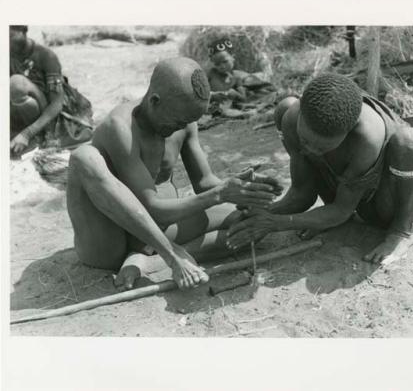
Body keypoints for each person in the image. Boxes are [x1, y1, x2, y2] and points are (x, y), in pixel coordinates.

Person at [66, 57, 281, 290]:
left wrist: (241, 189)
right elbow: (151, 209)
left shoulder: (184, 120)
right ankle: (169, 255)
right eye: (178, 122)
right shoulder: (121, 129)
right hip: (110, 240)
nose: (182, 127)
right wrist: (219, 194)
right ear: (155, 101)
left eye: (188, 122)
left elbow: (205, 182)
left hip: (154, 237)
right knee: (83, 157)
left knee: (253, 222)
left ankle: (148, 262)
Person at [227, 73, 413, 265]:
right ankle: (324, 220)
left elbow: (342, 210)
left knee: (409, 141)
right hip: (346, 197)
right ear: (300, 116)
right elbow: (302, 194)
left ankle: (402, 231)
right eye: (305, 140)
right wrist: (262, 215)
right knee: (284, 107)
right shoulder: (291, 116)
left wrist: (274, 223)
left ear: (348, 133)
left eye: (322, 147)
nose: (310, 150)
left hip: (388, 202)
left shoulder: (367, 138)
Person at [10, 25, 93, 157]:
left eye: (11, 36)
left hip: (51, 112)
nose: (7, 41)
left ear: (24, 31)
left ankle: (40, 136)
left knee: (17, 83)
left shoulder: (46, 56)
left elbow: (56, 104)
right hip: (23, 108)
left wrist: (27, 134)